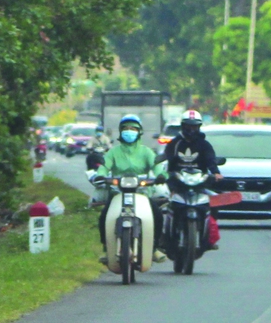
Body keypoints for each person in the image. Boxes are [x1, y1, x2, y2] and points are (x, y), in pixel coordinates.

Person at [92, 113, 159, 260]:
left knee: (157, 214)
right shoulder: (113, 152)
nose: (129, 131)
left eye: (133, 129)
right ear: (120, 131)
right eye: (126, 128)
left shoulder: (146, 152)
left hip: (142, 192)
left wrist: (161, 175)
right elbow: (104, 166)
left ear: (139, 132)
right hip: (117, 192)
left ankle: (154, 248)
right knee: (104, 216)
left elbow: (157, 166)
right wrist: (101, 175)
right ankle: (107, 249)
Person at [161, 108, 222, 252]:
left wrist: (216, 173)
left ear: (199, 127)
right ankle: (165, 237)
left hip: (199, 183)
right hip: (178, 183)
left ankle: (209, 238)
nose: (191, 129)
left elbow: (211, 160)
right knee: (164, 205)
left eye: (194, 126)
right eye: (188, 126)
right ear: (183, 126)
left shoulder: (204, 145)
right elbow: (168, 162)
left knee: (214, 204)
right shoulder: (175, 143)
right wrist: (167, 176)